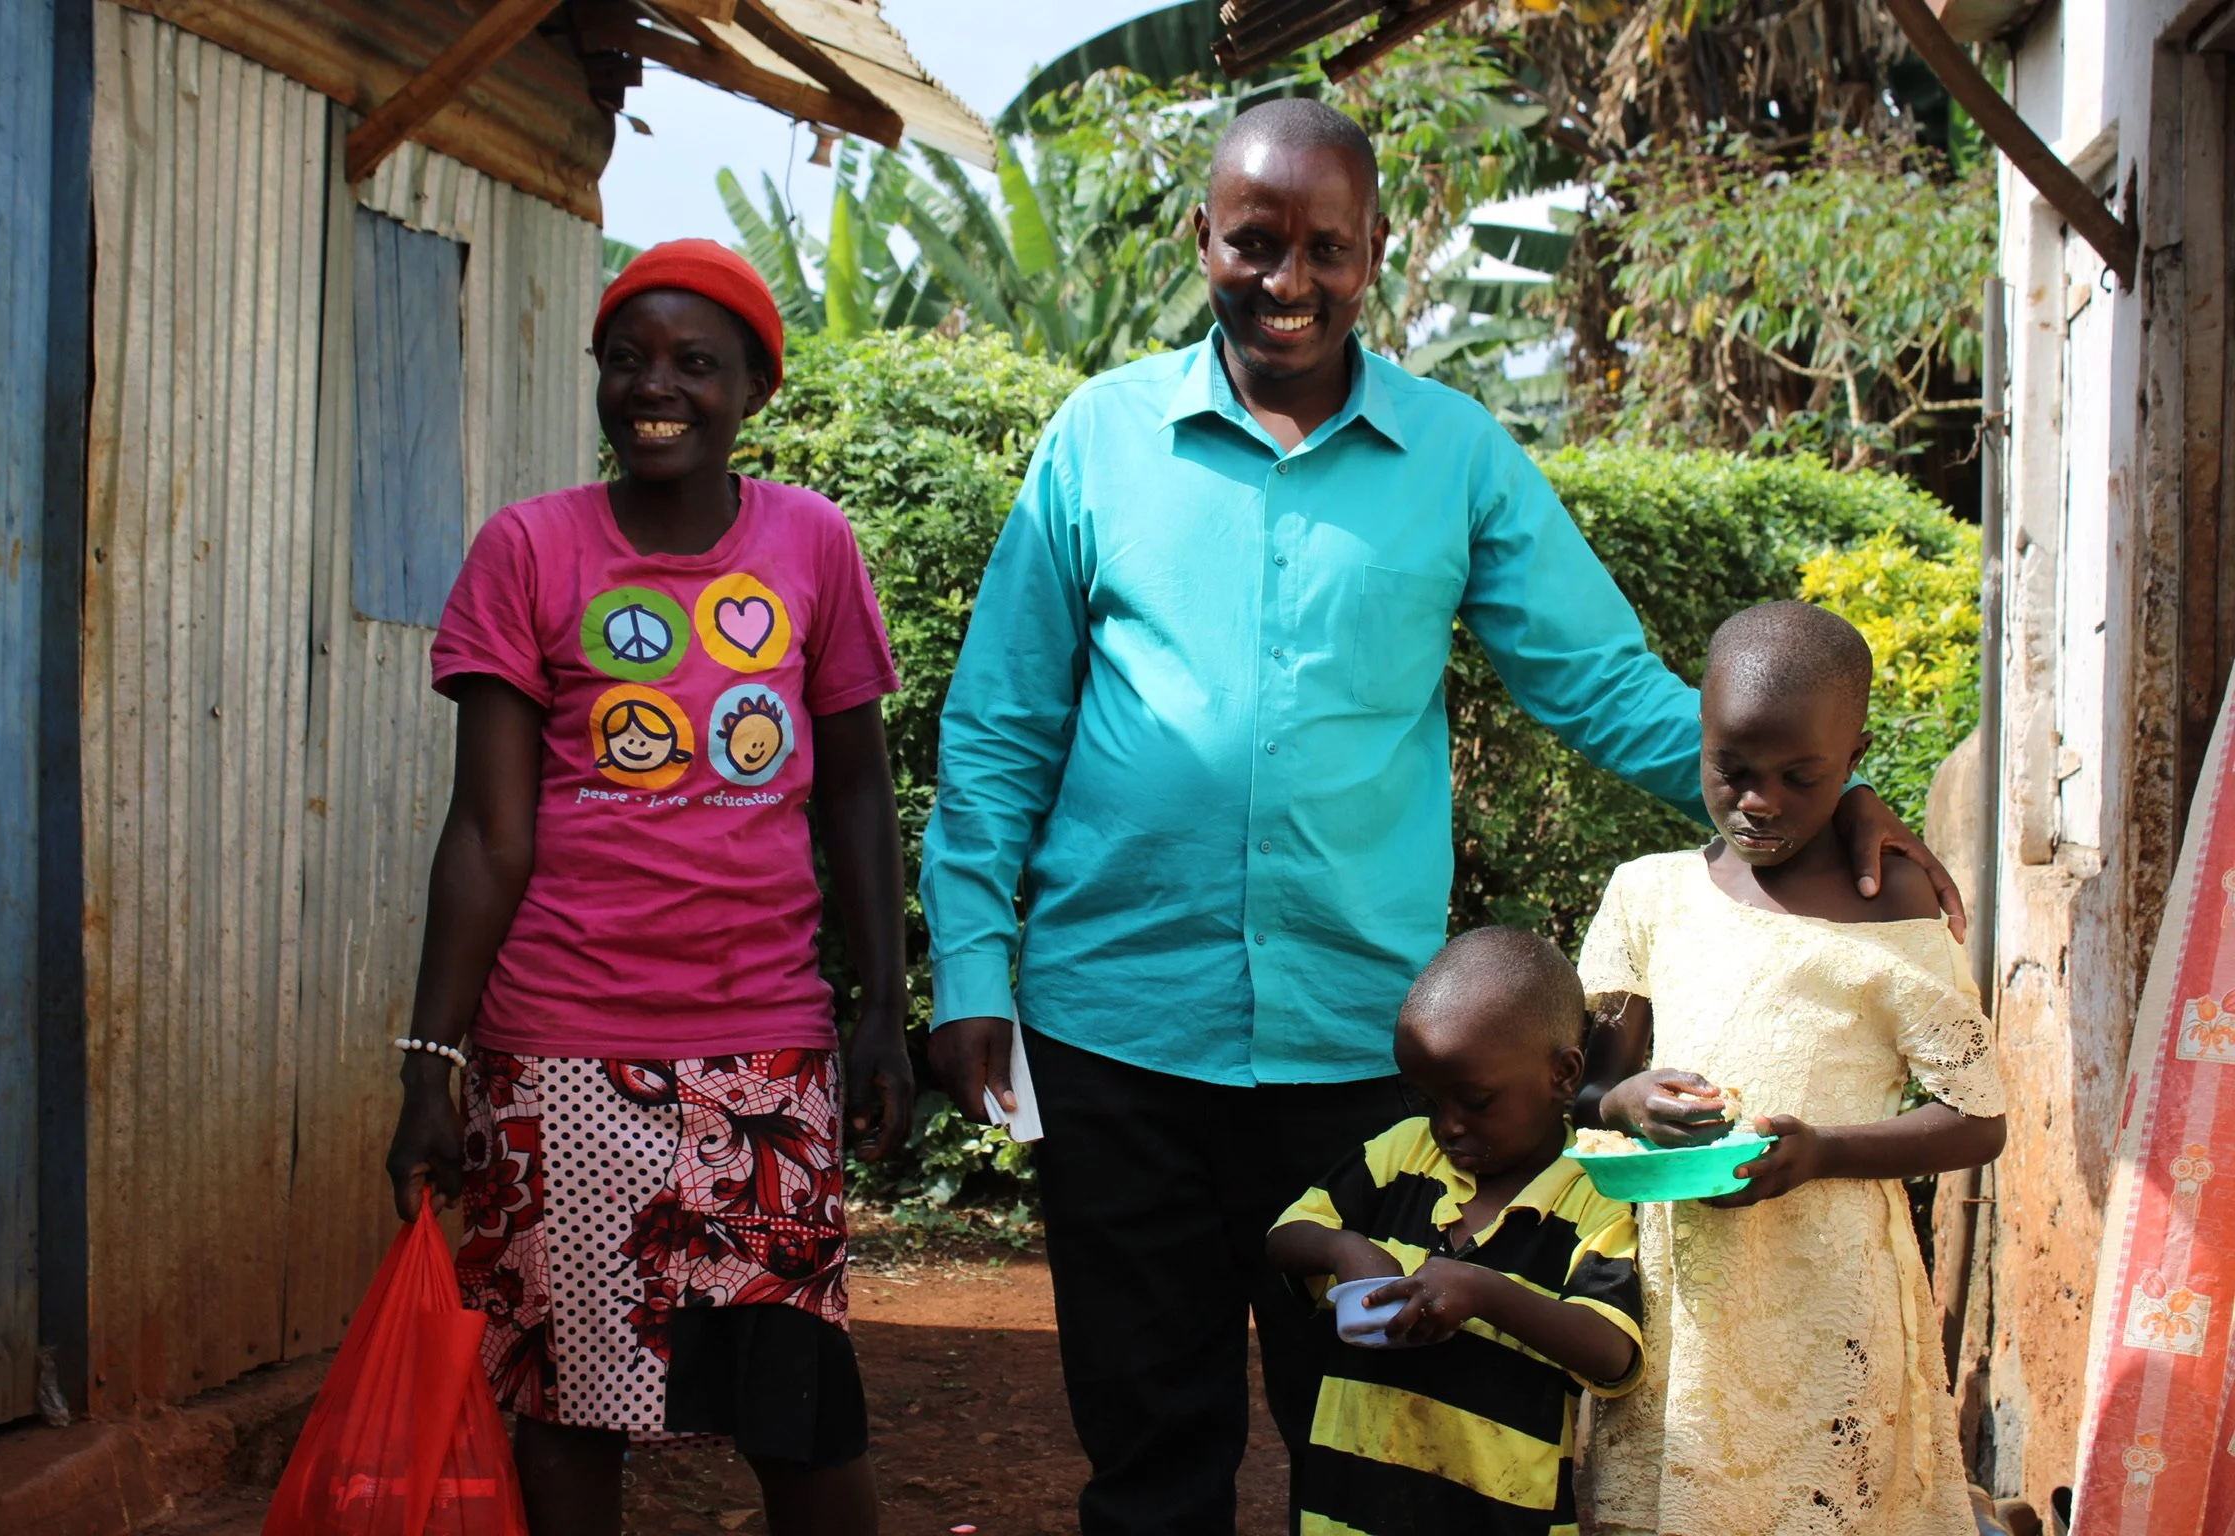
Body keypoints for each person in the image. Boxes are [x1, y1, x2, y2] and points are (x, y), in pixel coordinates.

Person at [919, 96, 1964, 1534]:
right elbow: (999, 725)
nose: (1288, 281)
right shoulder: (1098, 445)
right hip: (1117, 1041)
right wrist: (974, 965)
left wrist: (1801, 799)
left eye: (1326, 249)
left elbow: (1597, 681)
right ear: (1200, 238)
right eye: (1254, 243)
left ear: (1376, 254)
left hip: (1363, 1059)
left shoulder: (1456, 456)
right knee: (1148, 1447)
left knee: (1385, 1442)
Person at [382, 240, 914, 1536]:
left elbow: (853, 793)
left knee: (801, 1409)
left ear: (753, 388)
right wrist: (427, 1063)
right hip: (560, 1057)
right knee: (568, 1416)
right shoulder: (527, 551)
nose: (653, 388)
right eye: (627, 361)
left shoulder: (814, 546)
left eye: (692, 362)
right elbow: (488, 834)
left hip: (765, 1057)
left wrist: (885, 1007)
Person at [1576, 601, 2007, 1535]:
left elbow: (1977, 1118)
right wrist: (1625, 1098)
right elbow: (1578, 1087)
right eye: (1730, 770)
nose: (1758, 801)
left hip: (1831, 1297)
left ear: (1853, 764)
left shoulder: (1890, 909)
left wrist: (1822, 1152)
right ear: (1699, 738)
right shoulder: (1649, 897)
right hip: (1681, 1296)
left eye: (1799, 776)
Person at [1267, 927, 1641, 1536]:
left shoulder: (1592, 1196)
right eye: (1430, 1101)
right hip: (1350, 1508)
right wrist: (1345, 1247)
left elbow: (1611, 1350)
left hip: (1503, 1512)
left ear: (1564, 1074)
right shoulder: (1400, 1157)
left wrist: (1483, 1293)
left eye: (1475, 1101)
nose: (1448, 1126)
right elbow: (1285, 1236)